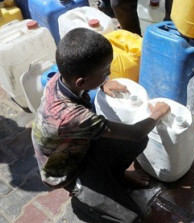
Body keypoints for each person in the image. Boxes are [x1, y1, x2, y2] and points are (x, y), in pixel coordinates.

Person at [31, 28, 171, 222]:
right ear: (81, 82)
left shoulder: (59, 78)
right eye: (105, 72)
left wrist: (102, 83)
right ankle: (85, 197)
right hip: (69, 170)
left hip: (77, 144)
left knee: (135, 142)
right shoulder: (72, 116)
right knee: (132, 219)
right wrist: (158, 112)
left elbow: (135, 137)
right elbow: (136, 132)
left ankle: (116, 176)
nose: (109, 74)